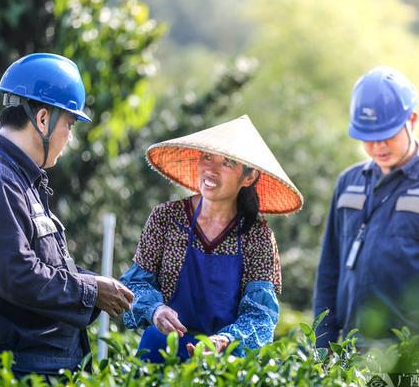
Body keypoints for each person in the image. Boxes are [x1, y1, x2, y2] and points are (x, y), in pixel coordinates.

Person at [0, 53, 134, 375]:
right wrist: (91, 292)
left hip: (39, 365)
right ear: (43, 119)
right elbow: (17, 275)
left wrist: (93, 282)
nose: (70, 138)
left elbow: (42, 266)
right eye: (70, 124)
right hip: (21, 371)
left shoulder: (15, 176)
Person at [313, 66, 419, 348]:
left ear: (413, 120)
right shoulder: (348, 183)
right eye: (369, 137)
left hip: (416, 356)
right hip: (351, 356)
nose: (378, 146)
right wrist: (323, 348)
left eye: (387, 134)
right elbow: (328, 273)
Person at [121, 115, 303, 362]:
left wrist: (224, 341)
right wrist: (155, 310)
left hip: (222, 362)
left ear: (248, 177)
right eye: (207, 157)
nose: (211, 169)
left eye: (227, 163)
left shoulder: (257, 236)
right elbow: (134, 286)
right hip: (160, 351)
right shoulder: (166, 218)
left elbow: (260, 317)